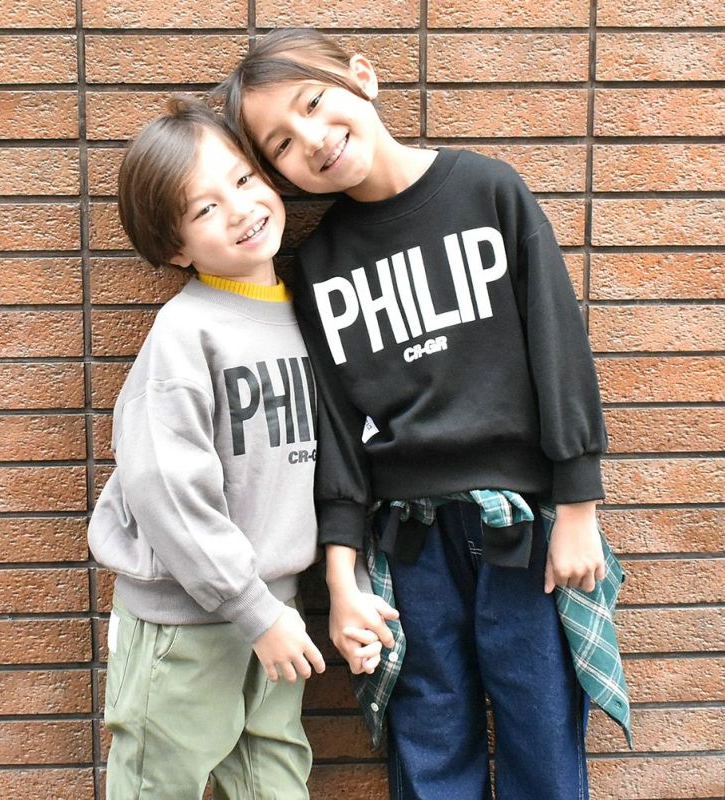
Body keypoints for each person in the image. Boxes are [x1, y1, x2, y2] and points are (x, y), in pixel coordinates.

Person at [220, 30, 631, 800]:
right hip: (408, 548)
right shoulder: (320, 265)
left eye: (315, 103)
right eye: (282, 143)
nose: (313, 137)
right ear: (279, 173)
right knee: (429, 741)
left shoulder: (487, 190)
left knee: (543, 732)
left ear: (363, 77)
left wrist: (579, 504)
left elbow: (558, 343)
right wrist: (341, 578)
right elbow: (335, 438)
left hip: (524, 533)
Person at [87, 95, 325, 800]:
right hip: (184, 626)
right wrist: (252, 609)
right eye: (205, 208)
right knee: (158, 784)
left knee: (275, 779)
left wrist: (280, 607)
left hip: (277, 612)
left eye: (244, 180)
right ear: (176, 249)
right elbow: (166, 489)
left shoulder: (303, 317)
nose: (241, 208)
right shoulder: (185, 334)